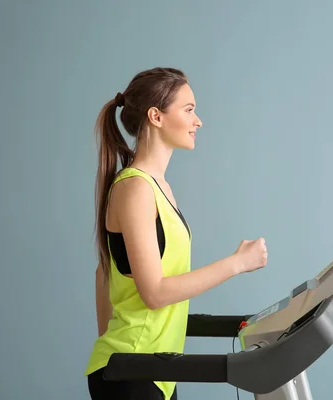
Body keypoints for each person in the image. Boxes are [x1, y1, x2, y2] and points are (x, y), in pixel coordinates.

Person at [84, 67, 268, 400]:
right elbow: (154, 293)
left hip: (153, 370)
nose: (198, 121)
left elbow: (104, 271)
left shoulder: (158, 187)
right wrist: (237, 263)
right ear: (156, 116)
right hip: (133, 371)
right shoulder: (136, 188)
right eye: (189, 109)